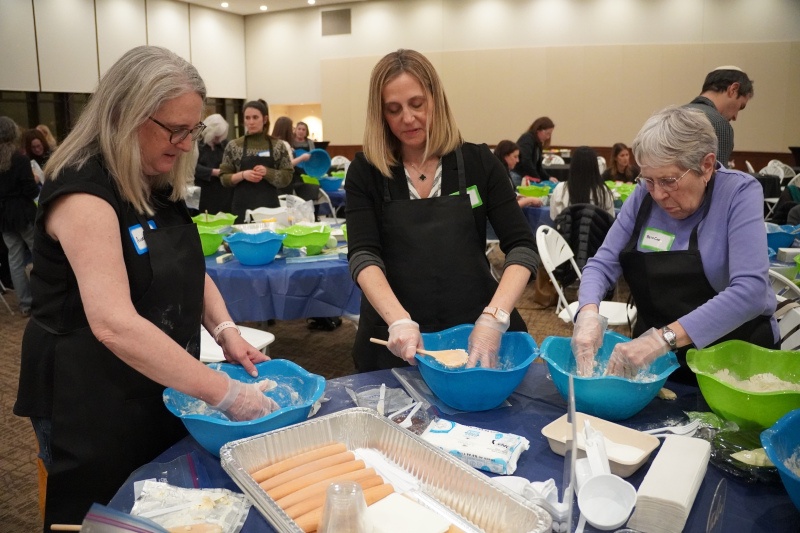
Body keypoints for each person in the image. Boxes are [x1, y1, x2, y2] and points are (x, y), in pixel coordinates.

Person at [13, 46, 280, 531]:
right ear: (124, 114)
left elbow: (187, 271)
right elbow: (113, 323)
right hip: (89, 394)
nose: (185, 144)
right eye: (175, 129)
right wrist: (227, 394)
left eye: (192, 131)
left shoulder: (152, 173)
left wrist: (225, 330)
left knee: (162, 505)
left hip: (157, 376)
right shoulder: (82, 189)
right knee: (107, 514)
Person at [345, 49, 539, 372]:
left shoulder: (478, 163)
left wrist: (495, 318)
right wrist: (398, 321)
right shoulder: (366, 172)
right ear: (380, 114)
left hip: (473, 332)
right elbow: (363, 256)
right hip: (397, 337)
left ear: (436, 100)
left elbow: (522, 248)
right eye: (394, 109)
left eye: (417, 104)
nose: (408, 118)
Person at [571, 106, 778, 384]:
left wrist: (662, 339)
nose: (658, 194)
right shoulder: (643, 195)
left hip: (732, 360)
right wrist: (587, 314)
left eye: (669, 181)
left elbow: (751, 292)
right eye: (648, 180)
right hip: (655, 360)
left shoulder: (738, 193)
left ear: (706, 166)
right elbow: (601, 264)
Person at [219, 100, 293, 222]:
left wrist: (267, 172)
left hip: (270, 209)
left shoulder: (278, 146)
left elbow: (287, 177)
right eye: (247, 118)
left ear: (265, 119)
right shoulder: (234, 146)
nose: (251, 122)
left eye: (255, 117)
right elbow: (224, 179)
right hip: (242, 209)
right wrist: (243, 175)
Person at [0, 117, 37, 316]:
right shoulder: (20, 159)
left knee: (14, 260)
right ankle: (44, 297)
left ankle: (25, 304)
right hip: (23, 213)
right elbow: (31, 191)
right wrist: (35, 179)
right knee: (38, 253)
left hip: (4, 216)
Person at [684, 66, 754, 168]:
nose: (735, 117)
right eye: (740, 106)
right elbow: (717, 176)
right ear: (733, 89)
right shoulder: (718, 124)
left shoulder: (668, 117)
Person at [550, 146, 615, 220]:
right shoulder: (603, 191)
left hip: (564, 227)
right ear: (595, 167)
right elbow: (610, 219)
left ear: (573, 166)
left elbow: (554, 218)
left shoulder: (560, 189)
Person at [194, 113, 234, 214]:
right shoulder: (196, 144)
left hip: (223, 193)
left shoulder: (224, 144)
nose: (219, 138)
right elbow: (192, 167)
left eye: (221, 136)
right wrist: (213, 172)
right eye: (216, 136)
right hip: (203, 191)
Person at [494, 140, 543, 208]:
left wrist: (514, 197)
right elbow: (507, 206)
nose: (517, 160)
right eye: (515, 156)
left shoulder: (503, 171)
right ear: (505, 156)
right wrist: (529, 200)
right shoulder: (498, 176)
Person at [513, 117, 557, 184]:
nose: (548, 137)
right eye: (547, 134)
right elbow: (526, 162)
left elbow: (538, 166)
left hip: (526, 177)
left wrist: (548, 177)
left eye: (550, 134)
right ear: (538, 130)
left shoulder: (538, 143)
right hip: (519, 177)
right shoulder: (527, 139)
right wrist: (538, 179)